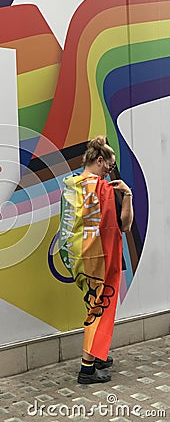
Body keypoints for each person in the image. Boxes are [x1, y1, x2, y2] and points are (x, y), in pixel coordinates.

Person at [59, 135, 134, 384]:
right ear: (100, 160)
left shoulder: (71, 185)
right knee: (98, 310)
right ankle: (87, 368)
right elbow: (124, 225)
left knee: (92, 303)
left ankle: (98, 354)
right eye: (109, 167)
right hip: (101, 259)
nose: (109, 173)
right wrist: (128, 195)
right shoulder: (105, 189)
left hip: (79, 257)